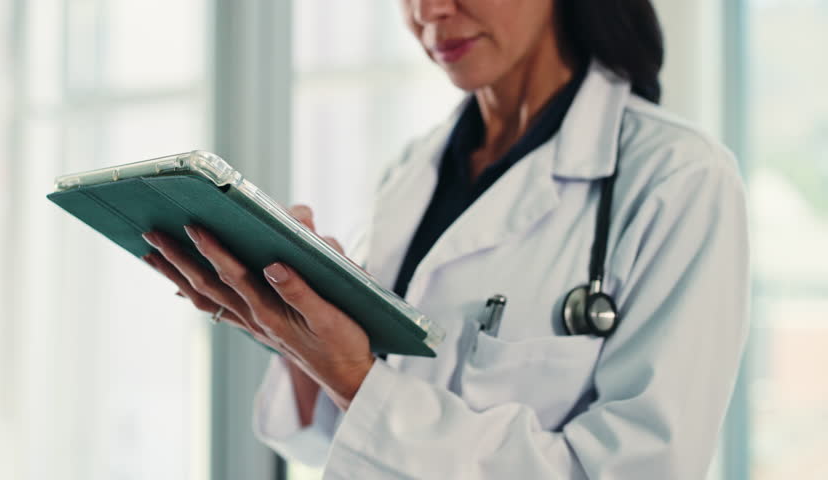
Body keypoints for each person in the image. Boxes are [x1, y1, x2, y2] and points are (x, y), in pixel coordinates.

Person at [141, 0, 750, 477]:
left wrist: (355, 377)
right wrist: (293, 333)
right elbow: (344, 444)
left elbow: (640, 470)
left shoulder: (678, 178)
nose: (428, 12)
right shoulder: (413, 170)